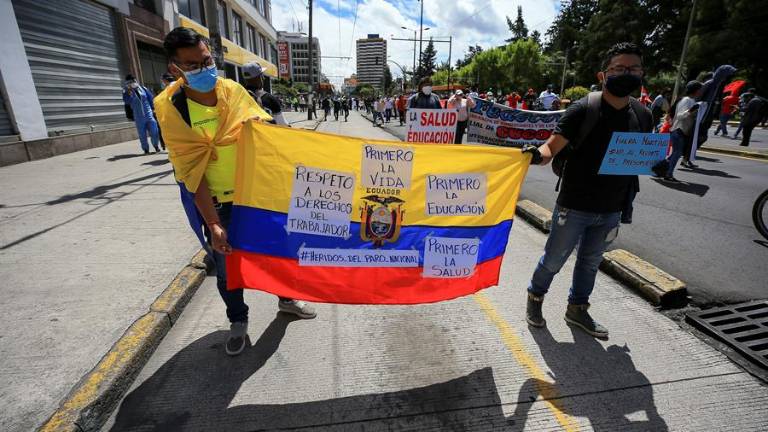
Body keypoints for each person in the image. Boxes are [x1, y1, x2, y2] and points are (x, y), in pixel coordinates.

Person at [156, 27, 316, 357]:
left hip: (258, 196)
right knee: (228, 271)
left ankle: (286, 300)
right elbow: (190, 172)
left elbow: (268, 139)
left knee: (277, 253)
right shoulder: (170, 108)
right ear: (175, 68)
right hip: (218, 203)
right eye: (192, 65)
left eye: (206, 60)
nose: (204, 69)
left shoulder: (232, 92)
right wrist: (213, 224)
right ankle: (238, 320)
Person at [520, 42, 652, 339]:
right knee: (553, 259)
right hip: (574, 206)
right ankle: (535, 298)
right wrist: (536, 155)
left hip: (612, 208)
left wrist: (656, 163)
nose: (626, 74)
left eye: (633, 69)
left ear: (642, 73)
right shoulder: (584, 109)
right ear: (603, 74)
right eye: (619, 69)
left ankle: (577, 310)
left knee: (591, 263)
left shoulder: (644, 115)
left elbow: (642, 155)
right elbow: (550, 148)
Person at [664, 81, 702, 181]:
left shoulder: (691, 100)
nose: (700, 92)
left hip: (682, 131)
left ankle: (660, 168)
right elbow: (680, 116)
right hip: (678, 130)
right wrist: (691, 110)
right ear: (696, 90)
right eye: (699, 90)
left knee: (676, 153)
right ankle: (668, 174)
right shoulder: (687, 100)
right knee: (677, 153)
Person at [122, 74, 161, 154]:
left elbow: (150, 99)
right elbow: (127, 102)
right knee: (142, 134)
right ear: (127, 83)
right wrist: (129, 93)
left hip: (148, 114)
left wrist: (153, 109)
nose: (132, 83)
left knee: (154, 131)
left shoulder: (143, 89)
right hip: (138, 116)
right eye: (130, 82)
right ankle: (146, 149)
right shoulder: (126, 92)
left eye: (133, 81)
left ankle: (156, 145)